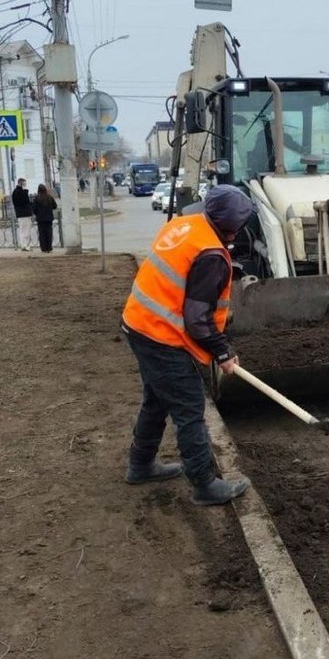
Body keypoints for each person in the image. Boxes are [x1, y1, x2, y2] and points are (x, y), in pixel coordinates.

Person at [121, 184, 255, 506]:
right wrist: (222, 351)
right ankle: (204, 484)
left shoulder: (184, 224)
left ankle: (140, 465)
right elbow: (197, 319)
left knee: (157, 398)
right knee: (190, 407)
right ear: (233, 226)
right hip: (158, 334)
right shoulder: (211, 255)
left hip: (139, 321)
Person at [32, 184, 58, 253]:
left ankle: (43, 248)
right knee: (49, 233)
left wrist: (37, 213)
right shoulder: (49, 197)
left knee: (42, 234)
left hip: (40, 219)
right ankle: (49, 247)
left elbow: (34, 209)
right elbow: (55, 206)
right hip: (49, 219)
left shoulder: (37, 198)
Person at [11, 178, 34, 251]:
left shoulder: (18, 192)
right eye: (24, 183)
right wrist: (25, 191)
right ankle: (25, 245)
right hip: (23, 213)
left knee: (25, 230)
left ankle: (25, 244)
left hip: (23, 213)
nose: (25, 185)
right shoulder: (18, 192)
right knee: (25, 230)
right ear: (21, 183)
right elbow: (24, 201)